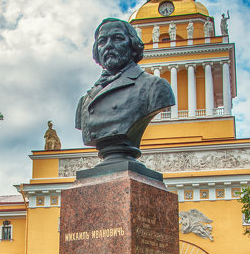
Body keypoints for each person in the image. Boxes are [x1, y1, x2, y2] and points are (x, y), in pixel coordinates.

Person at [75, 18, 175, 156]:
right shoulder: (85, 101)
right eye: (102, 41)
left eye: (117, 38)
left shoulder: (154, 87)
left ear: (133, 46)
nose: (108, 45)